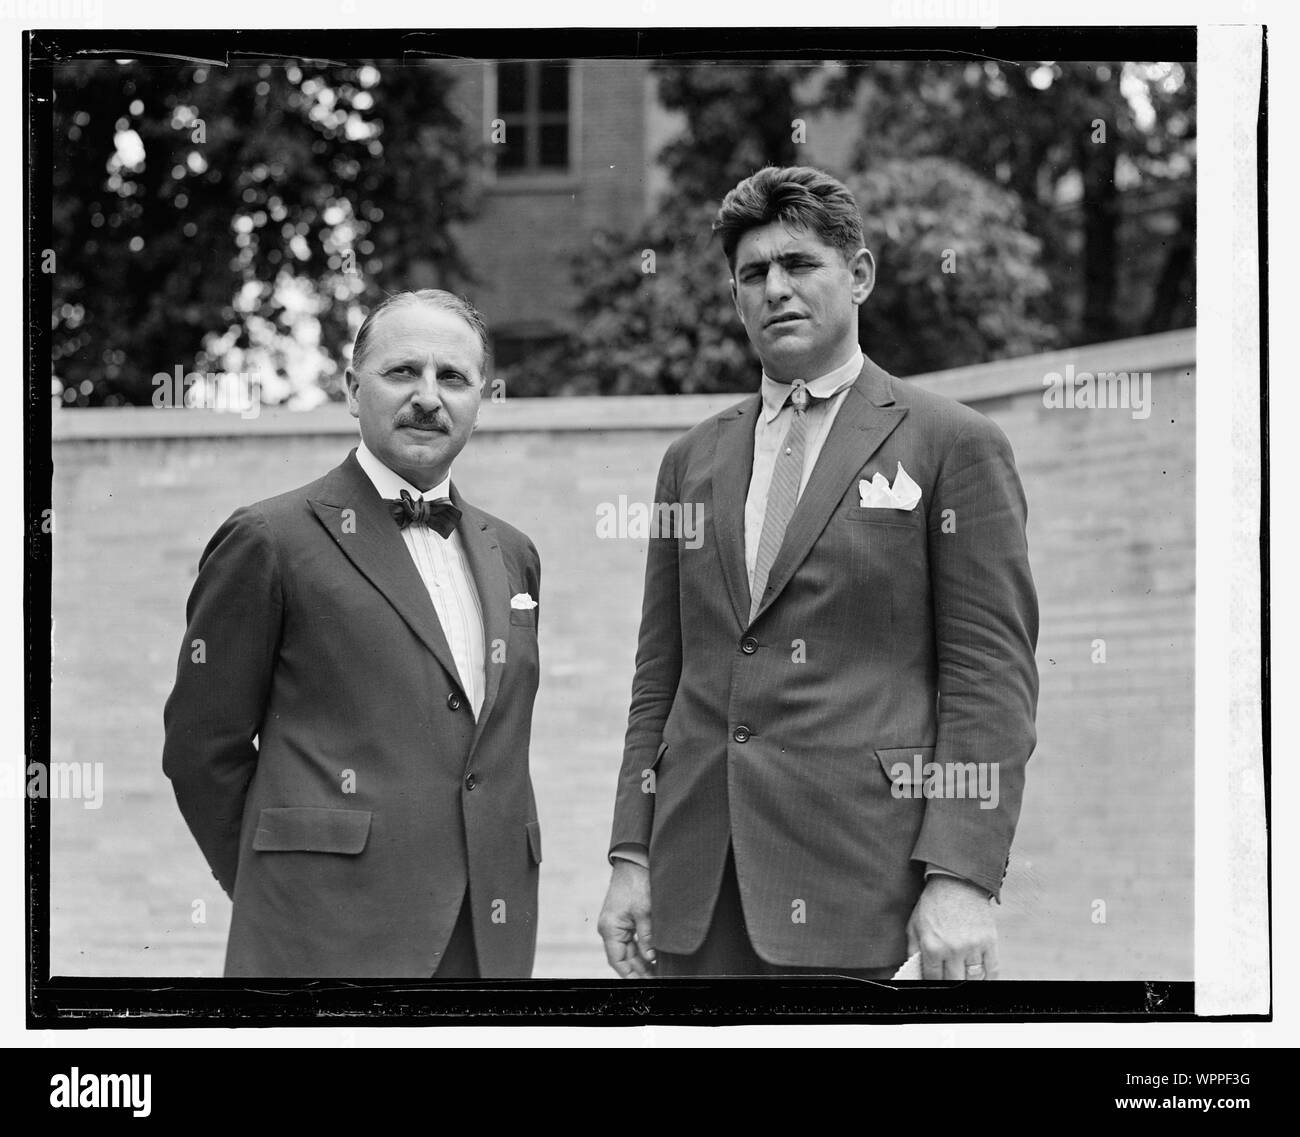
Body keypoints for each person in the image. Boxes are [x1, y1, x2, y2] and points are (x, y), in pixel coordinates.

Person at [597, 166, 1039, 980]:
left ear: (860, 275)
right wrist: (631, 850)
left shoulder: (952, 443)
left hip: (865, 889)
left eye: (800, 265)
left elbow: (990, 680)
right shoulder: (689, 461)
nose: (776, 288)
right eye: (753, 274)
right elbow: (660, 675)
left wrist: (962, 876)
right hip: (698, 895)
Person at [163, 289, 543, 978]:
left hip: (488, 940)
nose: (429, 396)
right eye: (403, 372)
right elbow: (201, 748)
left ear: (480, 397)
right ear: (350, 387)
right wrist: (276, 889)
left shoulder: (512, 553)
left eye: (452, 377)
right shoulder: (268, 538)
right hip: (318, 941)